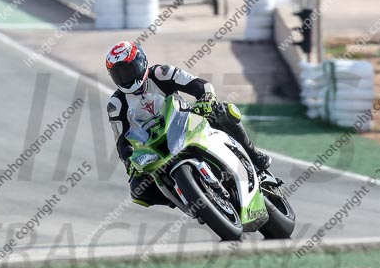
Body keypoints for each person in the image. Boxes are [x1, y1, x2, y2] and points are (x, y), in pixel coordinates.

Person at [106, 41, 272, 208]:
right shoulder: (116, 104)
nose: (125, 78)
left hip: (186, 122)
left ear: (141, 62)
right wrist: (130, 163)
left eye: (128, 70)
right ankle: (187, 199)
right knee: (138, 190)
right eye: (118, 74)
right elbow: (122, 142)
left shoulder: (161, 73)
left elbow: (199, 84)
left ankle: (253, 154)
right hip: (154, 146)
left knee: (223, 111)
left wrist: (206, 99)